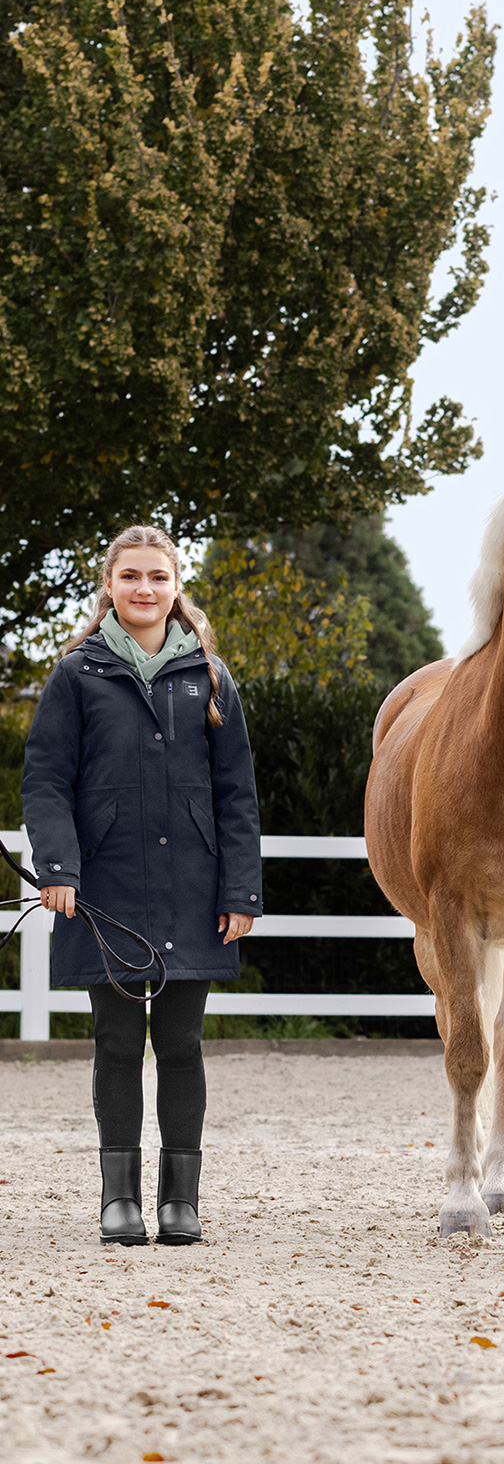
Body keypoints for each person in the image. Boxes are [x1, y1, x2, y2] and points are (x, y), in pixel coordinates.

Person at [22, 525, 262, 1246]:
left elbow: (237, 795)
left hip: (194, 886)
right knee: (118, 1042)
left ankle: (179, 1202)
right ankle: (118, 1200)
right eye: (131, 576)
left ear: (176, 587)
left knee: (182, 1043)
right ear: (109, 585)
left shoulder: (212, 679)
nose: (145, 589)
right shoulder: (76, 676)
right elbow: (45, 782)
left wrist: (240, 891)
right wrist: (59, 869)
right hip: (108, 886)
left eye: (158, 576)